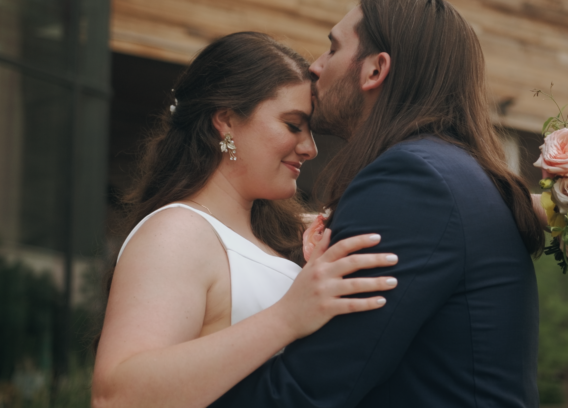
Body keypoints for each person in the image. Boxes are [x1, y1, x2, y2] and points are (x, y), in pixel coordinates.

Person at [209, 0, 546, 408]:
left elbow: (310, 390)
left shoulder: (412, 181)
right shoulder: (455, 172)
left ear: (374, 70)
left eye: (333, 47)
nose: (314, 66)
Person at [90, 32, 400, 408]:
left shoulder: (272, 235)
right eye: (292, 125)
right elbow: (118, 396)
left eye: (310, 130)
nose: (310, 148)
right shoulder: (176, 233)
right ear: (226, 121)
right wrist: (286, 318)